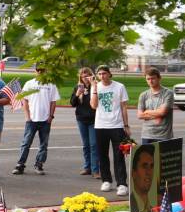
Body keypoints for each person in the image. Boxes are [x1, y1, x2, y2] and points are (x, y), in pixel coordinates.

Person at [11, 63, 60, 175]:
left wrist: (51, 116)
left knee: (43, 144)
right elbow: (25, 101)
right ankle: (20, 165)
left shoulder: (51, 84)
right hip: (31, 120)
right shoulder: (29, 84)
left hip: (45, 120)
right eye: (38, 70)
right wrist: (27, 116)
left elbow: (53, 101)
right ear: (35, 71)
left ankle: (39, 164)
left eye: (42, 70)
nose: (40, 72)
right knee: (26, 143)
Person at [90, 64, 130, 196]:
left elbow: (124, 107)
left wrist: (126, 125)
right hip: (101, 125)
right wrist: (95, 88)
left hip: (117, 125)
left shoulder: (119, 87)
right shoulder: (96, 87)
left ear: (109, 74)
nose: (102, 76)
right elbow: (94, 105)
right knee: (102, 154)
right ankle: (106, 180)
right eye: (100, 74)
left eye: (104, 73)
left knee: (119, 155)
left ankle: (122, 184)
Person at [70, 67, 100, 178]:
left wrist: (93, 85)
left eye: (87, 75)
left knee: (94, 145)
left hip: (94, 120)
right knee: (86, 145)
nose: (85, 78)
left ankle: (95, 170)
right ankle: (87, 167)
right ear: (80, 78)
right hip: (81, 119)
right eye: (83, 76)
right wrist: (78, 94)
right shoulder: (78, 87)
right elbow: (73, 103)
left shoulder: (96, 87)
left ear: (91, 76)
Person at [137, 67, 174, 144]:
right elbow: (140, 115)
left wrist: (147, 111)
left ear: (159, 78)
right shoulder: (143, 95)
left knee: (162, 156)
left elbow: (162, 112)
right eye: (148, 79)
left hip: (164, 135)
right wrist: (157, 113)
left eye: (153, 78)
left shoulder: (168, 93)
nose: (150, 81)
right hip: (147, 135)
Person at [130, 144, 160, 212]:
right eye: (144, 166)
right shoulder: (133, 204)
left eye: (151, 166)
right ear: (133, 173)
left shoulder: (155, 206)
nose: (149, 172)